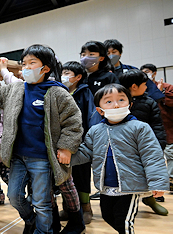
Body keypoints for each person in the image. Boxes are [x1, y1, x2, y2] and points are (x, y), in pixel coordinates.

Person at [0, 44, 83, 234]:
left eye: (32, 63)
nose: (26, 68)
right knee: (15, 196)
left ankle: (44, 231)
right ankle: (33, 221)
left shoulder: (57, 92)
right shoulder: (16, 89)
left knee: (42, 201)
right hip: (18, 157)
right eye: (24, 64)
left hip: (41, 158)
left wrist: (66, 147)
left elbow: (73, 121)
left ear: (45, 68)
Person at [70, 83, 169, 234]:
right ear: (99, 110)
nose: (116, 105)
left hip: (130, 187)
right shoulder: (95, 130)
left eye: (121, 100)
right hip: (105, 187)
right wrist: (65, 159)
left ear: (130, 104)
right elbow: (85, 152)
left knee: (124, 222)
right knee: (108, 216)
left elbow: (152, 156)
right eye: (109, 101)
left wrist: (157, 183)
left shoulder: (139, 127)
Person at [119, 69, 168, 215]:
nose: (147, 87)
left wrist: (159, 144)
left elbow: (157, 125)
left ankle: (150, 199)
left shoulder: (150, 102)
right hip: (125, 147)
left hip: (145, 147)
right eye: (145, 84)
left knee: (146, 174)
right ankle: (124, 201)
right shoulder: (120, 102)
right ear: (134, 86)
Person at [59, 61, 102, 225]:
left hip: (80, 144)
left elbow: (92, 117)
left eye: (67, 72)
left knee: (82, 177)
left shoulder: (85, 93)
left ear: (78, 77)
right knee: (63, 177)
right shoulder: (59, 92)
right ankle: (68, 208)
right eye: (63, 72)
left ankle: (86, 208)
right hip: (61, 144)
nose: (64, 76)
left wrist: (91, 142)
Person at [140, 63, 173, 192]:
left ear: (154, 73)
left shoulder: (167, 87)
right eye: (143, 72)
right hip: (150, 127)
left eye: (147, 71)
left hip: (167, 125)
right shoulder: (142, 88)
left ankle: (170, 180)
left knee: (170, 154)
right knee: (153, 157)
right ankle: (154, 187)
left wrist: (161, 93)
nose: (145, 74)